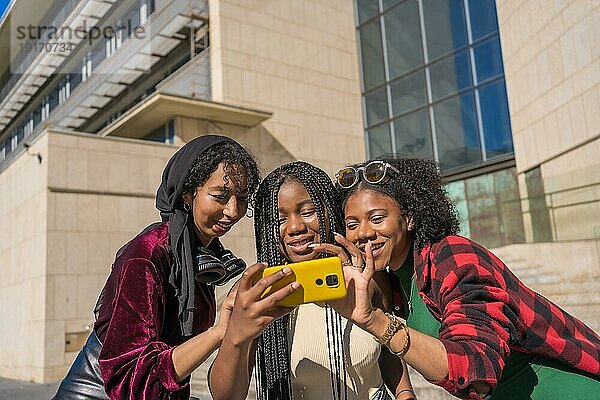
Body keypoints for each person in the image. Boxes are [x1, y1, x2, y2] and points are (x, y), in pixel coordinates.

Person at [311, 156, 600, 400]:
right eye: (352, 224)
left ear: (409, 218)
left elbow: (475, 370)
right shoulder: (394, 278)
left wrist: (375, 320)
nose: (362, 233)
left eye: (377, 218)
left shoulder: (453, 255)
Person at [52, 135, 262, 400]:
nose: (233, 210)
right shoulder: (147, 255)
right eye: (220, 196)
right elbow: (128, 380)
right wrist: (219, 332)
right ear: (188, 193)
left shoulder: (199, 258)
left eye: (241, 198)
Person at [209, 161, 416, 400]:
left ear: (329, 210)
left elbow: (385, 350)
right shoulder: (258, 292)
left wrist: (404, 393)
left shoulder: (367, 274)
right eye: (280, 220)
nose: (295, 227)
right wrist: (236, 335)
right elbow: (225, 396)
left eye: (308, 212)